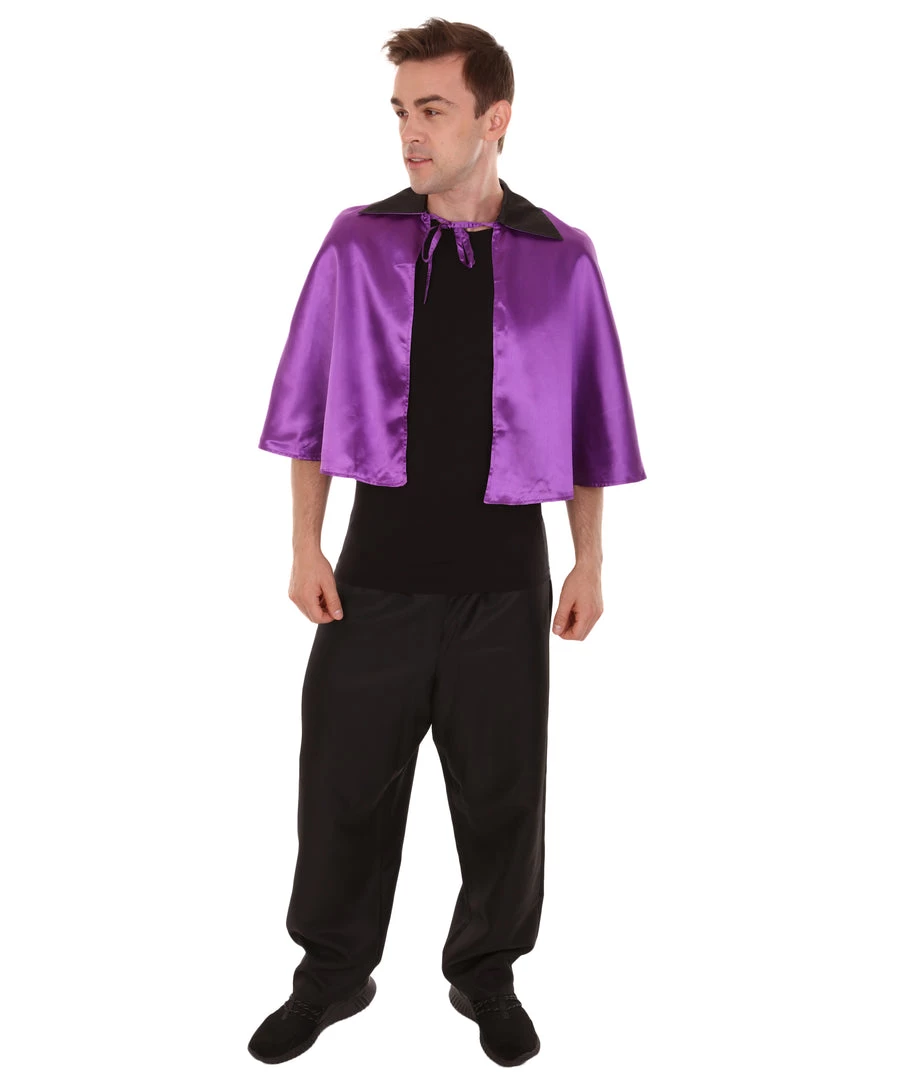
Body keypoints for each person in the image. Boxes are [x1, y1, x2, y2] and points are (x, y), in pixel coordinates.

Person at [247, 17, 646, 1069]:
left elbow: (590, 426)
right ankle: (331, 976)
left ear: (493, 119)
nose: (410, 134)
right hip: (373, 579)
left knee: (504, 800)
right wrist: (304, 545)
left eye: (433, 110)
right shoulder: (356, 242)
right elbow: (307, 405)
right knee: (340, 789)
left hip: (504, 587)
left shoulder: (562, 258)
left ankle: (487, 976)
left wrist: (589, 559)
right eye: (399, 112)